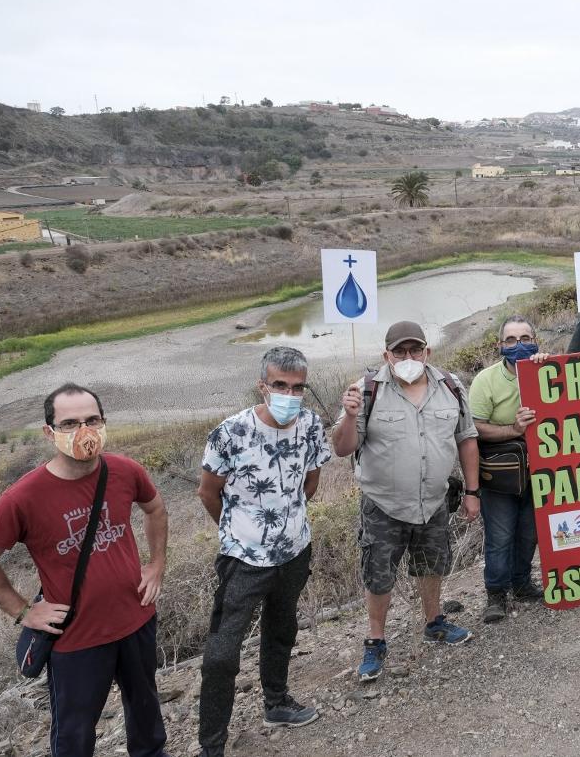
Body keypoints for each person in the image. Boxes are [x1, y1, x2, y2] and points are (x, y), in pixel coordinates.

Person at [0, 383, 170, 757]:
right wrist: (24, 611)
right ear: (50, 432)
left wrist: (156, 565)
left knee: (146, 715)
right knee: (74, 735)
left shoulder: (124, 470)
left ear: (104, 422)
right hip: (77, 637)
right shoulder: (24, 496)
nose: (84, 432)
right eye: (70, 423)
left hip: (136, 619)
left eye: (92, 420)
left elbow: (155, 509)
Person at [196, 347, 331, 756]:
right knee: (222, 653)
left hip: (294, 551)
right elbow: (208, 492)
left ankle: (277, 702)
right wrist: (242, 531)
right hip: (244, 559)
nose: (289, 393)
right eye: (279, 385)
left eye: (297, 387)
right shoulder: (230, 433)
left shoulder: (309, 424)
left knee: (282, 629)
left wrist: (288, 521)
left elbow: (311, 480)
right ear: (262, 386)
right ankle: (212, 745)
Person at [331, 321, 481, 683]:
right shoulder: (366, 390)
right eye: (400, 351)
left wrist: (473, 492)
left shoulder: (450, 386)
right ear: (387, 355)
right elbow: (341, 447)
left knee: (432, 564)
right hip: (383, 504)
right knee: (378, 573)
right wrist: (350, 415)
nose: (408, 357)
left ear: (427, 352)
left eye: (415, 350)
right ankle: (376, 640)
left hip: (433, 501)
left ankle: (434, 622)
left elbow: (467, 439)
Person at [469, 315, 551, 622]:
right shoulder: (485, 381)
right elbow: (474, 428)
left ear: (536, 340)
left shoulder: (546, 369)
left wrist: (548, 366)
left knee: (529, 533)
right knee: (500, 535)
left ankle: (521, 584)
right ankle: (496, 595)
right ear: (500, 345)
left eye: (526, 339)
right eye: (512, 340)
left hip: (539, 472)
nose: (520, 345)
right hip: (500, 472)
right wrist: (513, 429)